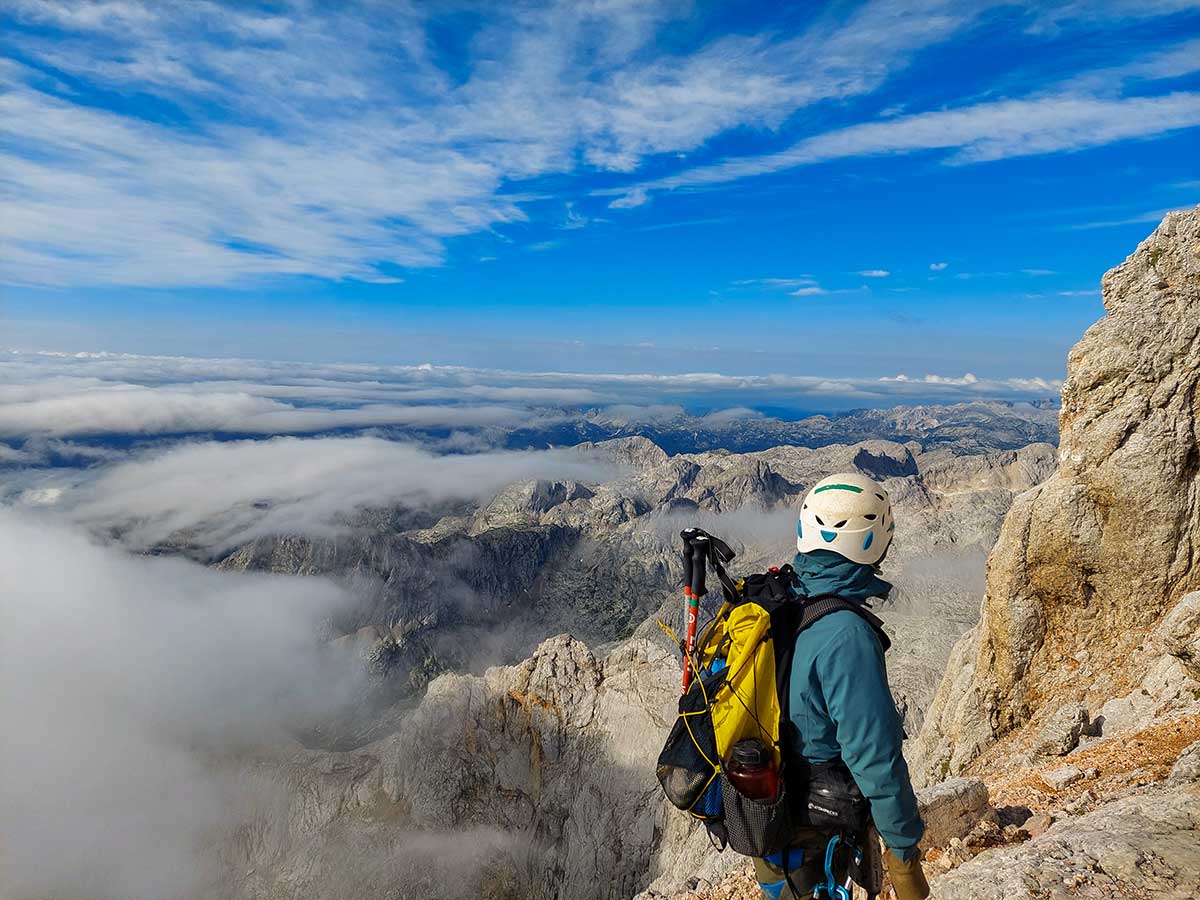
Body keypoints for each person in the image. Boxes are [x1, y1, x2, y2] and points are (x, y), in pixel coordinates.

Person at [753, 472, 930, 900]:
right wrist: (904, 855)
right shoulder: (846, 635)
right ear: (874, 539)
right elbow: (875, 759)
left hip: (767, 822)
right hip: (817, 835)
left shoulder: (779, 596)